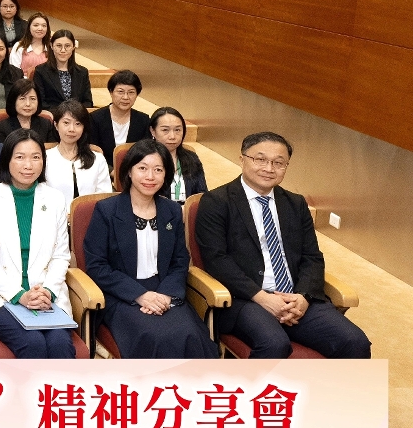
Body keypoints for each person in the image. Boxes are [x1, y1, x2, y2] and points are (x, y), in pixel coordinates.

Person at [196, 132, 370, 359]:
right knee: (274, 344)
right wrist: (262, 298)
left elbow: (312, 257)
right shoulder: (216, 202)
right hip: (246, 299)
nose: (269, 168)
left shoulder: (295, 204)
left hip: (295, 298)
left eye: (278, 163)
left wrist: (303, 298)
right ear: (242, 159)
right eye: (260, 159)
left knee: (355, 342)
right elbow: (217, 260)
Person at [84, 140, 219, 359]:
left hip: (165, 291)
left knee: (190, 334)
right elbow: (97, 266)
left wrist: (166, 294)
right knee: (155, 336)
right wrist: (139, 295)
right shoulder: (106, 210)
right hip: (122, 294)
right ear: (129, 171)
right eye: (143, 168)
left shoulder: (172, 211)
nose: (150, 176)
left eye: (158, 170)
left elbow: (180, 260)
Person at [0, 129, 75, 358]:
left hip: (46, 292)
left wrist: (48, 291)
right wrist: (19, 295)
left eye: (36, 157)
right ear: (7, 160)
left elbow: (61, 256)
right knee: (32, 343)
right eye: (20, 157)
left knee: (60, 344)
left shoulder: (55, 199)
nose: (28, 165)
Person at [44, 100, 113, 210]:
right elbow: (42, 198)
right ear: (56, 125)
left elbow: (104, 197)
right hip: (54, 217)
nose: (72, 129)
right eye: (66, 123)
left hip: (90, 217)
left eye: (78, 124)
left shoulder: (97, 159)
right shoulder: (45, 158)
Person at [89, 69, 151, 168]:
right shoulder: (95, 118)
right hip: (102, 170)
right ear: (111, 92)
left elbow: (146, 153)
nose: (125, 97)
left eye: (131, 92)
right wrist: (111, 172)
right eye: (120, 92)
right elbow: (92, 152)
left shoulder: (143, 120)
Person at [150, 106, 207, 202]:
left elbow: (201, 194)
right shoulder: (145, 159)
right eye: (165, 130)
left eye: (177, 130)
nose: (172, 136)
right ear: (153, 131)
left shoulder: (192, 158)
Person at [33, 29, 93, 112]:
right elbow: (40, 103)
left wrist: (74, 114)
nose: (63, 50)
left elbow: (88, 102)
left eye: (67, 46)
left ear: (73, 47)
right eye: (59, 46)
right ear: (51, 46)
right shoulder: (41, 71)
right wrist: (62, 114)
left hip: (76, 116)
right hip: (52, 116)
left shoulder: (82, 72)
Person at [0, 79, 58, 144]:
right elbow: (0, 149)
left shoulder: (46, 124)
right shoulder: (3, 126)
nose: (28, 104)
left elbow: (53, 147)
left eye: (32, 99)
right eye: (22, 99)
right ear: (13, 101)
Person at [9, 12, 52, 78]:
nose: (40, 29)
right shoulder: (19, 46)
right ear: (29, 27)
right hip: (22, 82)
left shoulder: (51, 48)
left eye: (44, 26)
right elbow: (14, 72)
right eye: (36, 25)